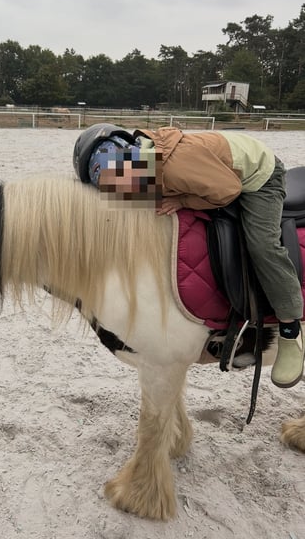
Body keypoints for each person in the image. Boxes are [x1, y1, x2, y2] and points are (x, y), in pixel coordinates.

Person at [73, 123, 305, 388]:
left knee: (262, 244)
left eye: (117, 180)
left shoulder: (173, 168)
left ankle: (290, 329)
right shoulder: (145, 167)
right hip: (217, 171)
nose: (119, 189)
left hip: (258, 176)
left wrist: (183, 201)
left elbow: (227, 189)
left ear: (128, 159)